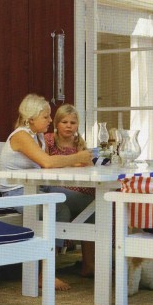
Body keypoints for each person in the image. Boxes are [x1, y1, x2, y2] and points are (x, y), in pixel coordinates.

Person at [0, 94, 93, 291]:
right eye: (46, 116)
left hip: (38, 189)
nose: (51, 120)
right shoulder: (21, 136)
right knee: (59, 210)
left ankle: (90, 264)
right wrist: (78, 157)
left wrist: (74, 162)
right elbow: (48, 163)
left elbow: (48, 166)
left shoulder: (38, 137)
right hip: (17, 192)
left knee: (89, 202)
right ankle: (47, 273)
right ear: (31, 117)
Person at [44, 103, 95, 278]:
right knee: (91, 204)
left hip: (77, 187)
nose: (68, 126)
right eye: (64, 122)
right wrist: (73, 162)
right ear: (56, 123)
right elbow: (46, 164)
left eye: (72, 122)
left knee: (95, 203)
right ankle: (51, 267)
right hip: (55, 187)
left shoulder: (79, 143)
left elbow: (88, 165)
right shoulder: (49, 141)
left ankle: (89, 263)